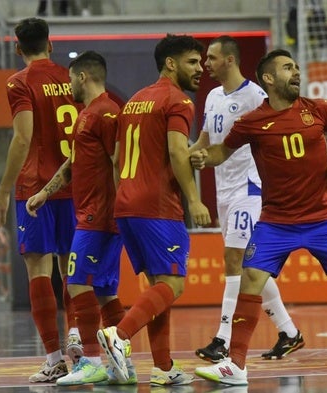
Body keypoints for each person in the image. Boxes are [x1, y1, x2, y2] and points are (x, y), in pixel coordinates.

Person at [192, 49, 327, 385]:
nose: (295, 72)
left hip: (323, 218)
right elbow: (219, 153)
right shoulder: (253, 121)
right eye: (287, 68)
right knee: (250, 282)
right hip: (276, 222)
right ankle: (235, 365)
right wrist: (198, 158)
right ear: (269, 78)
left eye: (296, 67)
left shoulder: (318, 110)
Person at [97, 33, 211, 387]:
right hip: (158, 206)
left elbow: (124, 157)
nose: (201, 69)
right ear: (171, 64)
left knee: (160, 285)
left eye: (202, 62)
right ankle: (121, 334)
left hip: (127, 202)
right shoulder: (178, 101)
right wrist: (194, 199)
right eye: (193, 62)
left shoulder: (135, 101)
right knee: (173, 285)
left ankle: (163, 367)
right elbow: (176, 153)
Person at [190, 35, 304, 363]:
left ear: (229, 60)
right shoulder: (212, 96)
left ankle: (222, 340)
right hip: (224, 191)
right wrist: (182, 156)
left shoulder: (256, 96)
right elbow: (205, 140)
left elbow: (279, 130)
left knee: (234, 260)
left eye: (211, 58)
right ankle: (289, 332)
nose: (206, 64)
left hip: (250, 188)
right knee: (247, 264)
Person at [0, 17, 83, 383]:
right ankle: (75, 331)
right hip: (74, 184)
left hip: (35, 189)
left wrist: (3, 190)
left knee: (38, 269)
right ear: (51, 44)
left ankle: (55, 359)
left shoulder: (19, 82)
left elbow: (23, 138)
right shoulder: (73, 76)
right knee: (70, 264)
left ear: (17, 48)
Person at [26, 50, 130, 387]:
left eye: (71, 78)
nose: (68, 84)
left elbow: (119, 162)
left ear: (82, 76)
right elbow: (74, 163)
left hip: (99, 216)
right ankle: (121, 364)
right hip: (92, 212)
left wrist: (120, 209)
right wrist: (45, 192)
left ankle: (92, 360)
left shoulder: (107, 113)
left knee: (76, 283)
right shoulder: (88, 114)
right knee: (105, 294)